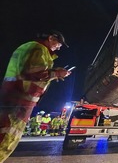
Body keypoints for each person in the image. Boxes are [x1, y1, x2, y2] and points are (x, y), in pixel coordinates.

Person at [0, 30, 71, 162]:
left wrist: (54, 72)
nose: (59, 48)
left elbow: (31, 71)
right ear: (51, 38)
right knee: (6, 138)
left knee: (6, 135)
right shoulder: (38, 48)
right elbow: (33, 72)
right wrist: (57, 74)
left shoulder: (29, 47)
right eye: (59, 44)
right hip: (19, 100)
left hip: (14, 98)